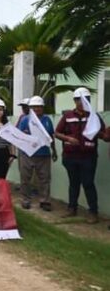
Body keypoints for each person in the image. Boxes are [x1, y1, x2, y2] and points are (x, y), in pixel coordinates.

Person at [55, 87, 106, 224]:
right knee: (73, 183)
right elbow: (57, 133)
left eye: (86, 100)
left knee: (88, 183)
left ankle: (93, 212)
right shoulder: (67, 116)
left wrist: (100, 134)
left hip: (88, 157)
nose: (83, 102)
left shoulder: (94, 117)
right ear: (75, 101)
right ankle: (72, 209)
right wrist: (68, 139)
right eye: (80, 100)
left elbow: (104, 135)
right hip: (70, 156)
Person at [17, 96, 57, 211]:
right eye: (34, 107)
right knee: (25, 178)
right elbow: (20, 136)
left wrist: (54, 150)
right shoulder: (25, 119)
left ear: (42, 107)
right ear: (30, 108)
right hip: (27, 154)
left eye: (39, 107)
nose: (36, 109)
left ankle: (45, 201)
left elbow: (51, 137)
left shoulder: (47, 120)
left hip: (44, 154)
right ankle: (25, 199)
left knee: (45, 178)